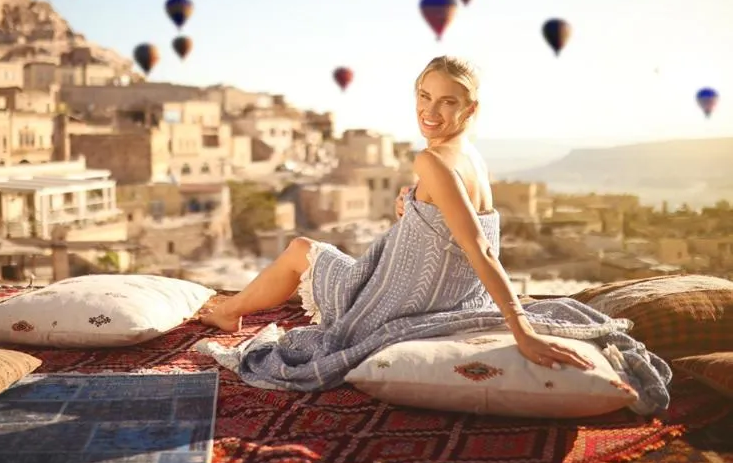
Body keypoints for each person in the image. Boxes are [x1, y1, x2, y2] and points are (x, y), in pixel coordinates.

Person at [198, 56, 671, 414]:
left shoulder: (432, 159)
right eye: (424, 96)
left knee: (302, 248)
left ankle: (227, 312)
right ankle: (231, 310)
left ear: (470, 107)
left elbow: (479, 247)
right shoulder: (470, 155)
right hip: (449, 293)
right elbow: (446, 221)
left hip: (399, 300)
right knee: (308, 250)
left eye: (447, 101)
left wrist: (521, 329)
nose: (430, 111)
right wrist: (411, 205)